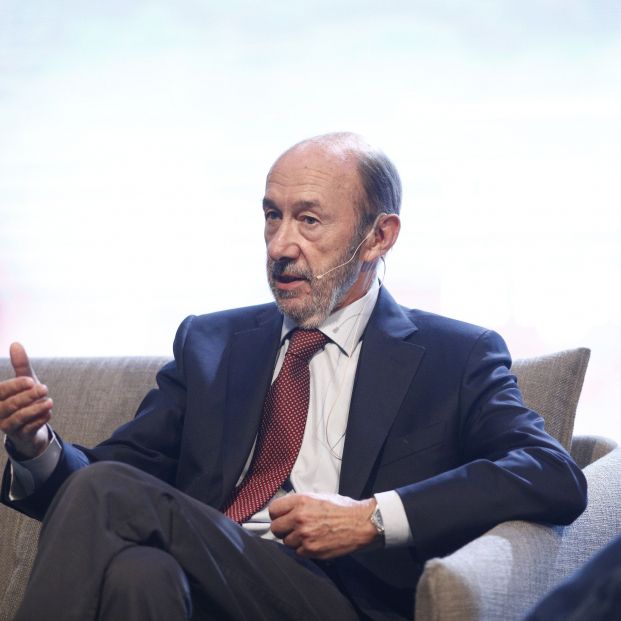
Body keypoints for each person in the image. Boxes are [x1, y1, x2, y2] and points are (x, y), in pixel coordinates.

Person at [0, 132, 587, 621]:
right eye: (272, 217)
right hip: (206, 581)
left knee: (110, 499)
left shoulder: (454, 355)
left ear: (378, 237)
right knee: (139, 573)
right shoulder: (212, 343)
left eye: (309, 220)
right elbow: (116, 480)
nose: (281, 246)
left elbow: (552, 472)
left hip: (341, 598)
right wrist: (37, 448)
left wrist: (371, 517)